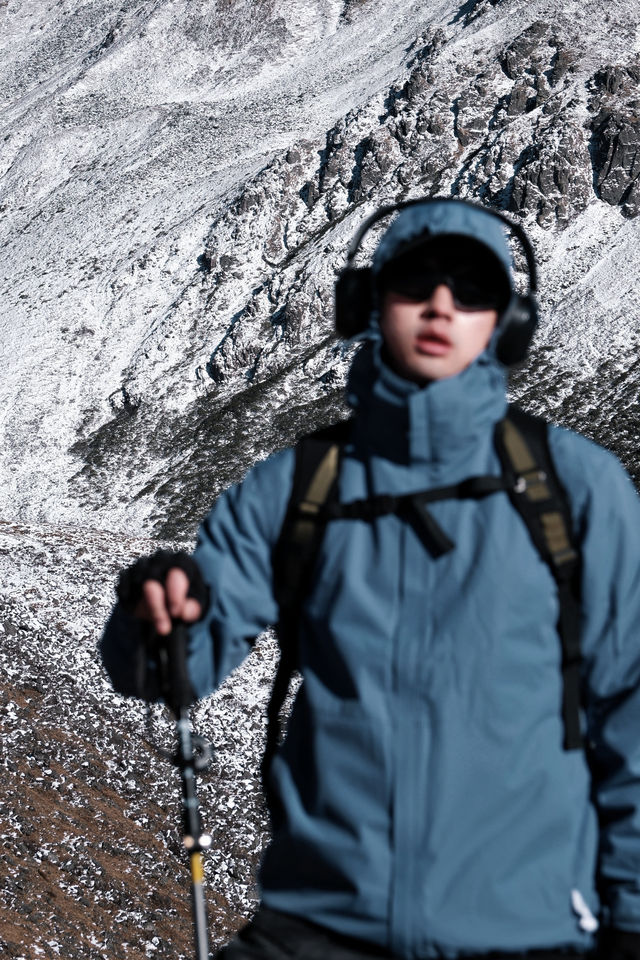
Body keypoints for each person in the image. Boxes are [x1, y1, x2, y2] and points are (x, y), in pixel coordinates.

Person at [101, 199, 640, 960]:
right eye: (416, 280)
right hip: (318, 924)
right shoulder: (292, 489)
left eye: (472, 286)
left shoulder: (582, 490)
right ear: (367, 302)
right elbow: (168, 670)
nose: (442, 304)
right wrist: (153, 616)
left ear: (507, 321)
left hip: (533, 931)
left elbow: (632, 710)